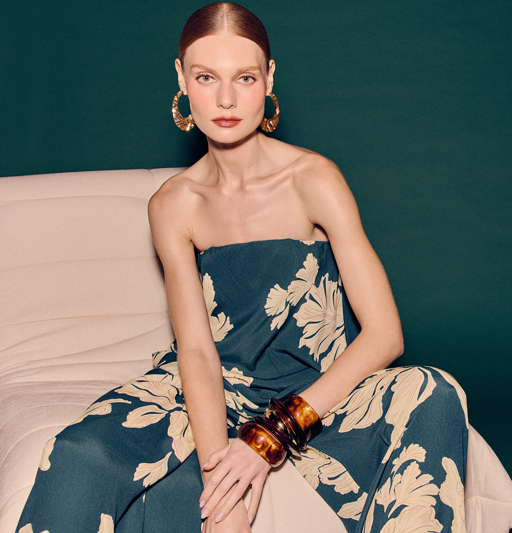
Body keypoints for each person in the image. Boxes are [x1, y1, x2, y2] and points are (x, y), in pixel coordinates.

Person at [16, 3, 469, 533]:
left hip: (316, 390)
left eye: (245, 78)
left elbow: (385, 335)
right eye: (206, 77)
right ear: (181, 78)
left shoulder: (314, 178)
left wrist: (270, 436)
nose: (226, 99)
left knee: (435, 390)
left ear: (269, 78)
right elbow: (196, 350)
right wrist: (222, 486)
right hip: (215, 386)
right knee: (81, 451)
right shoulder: (173, 204)